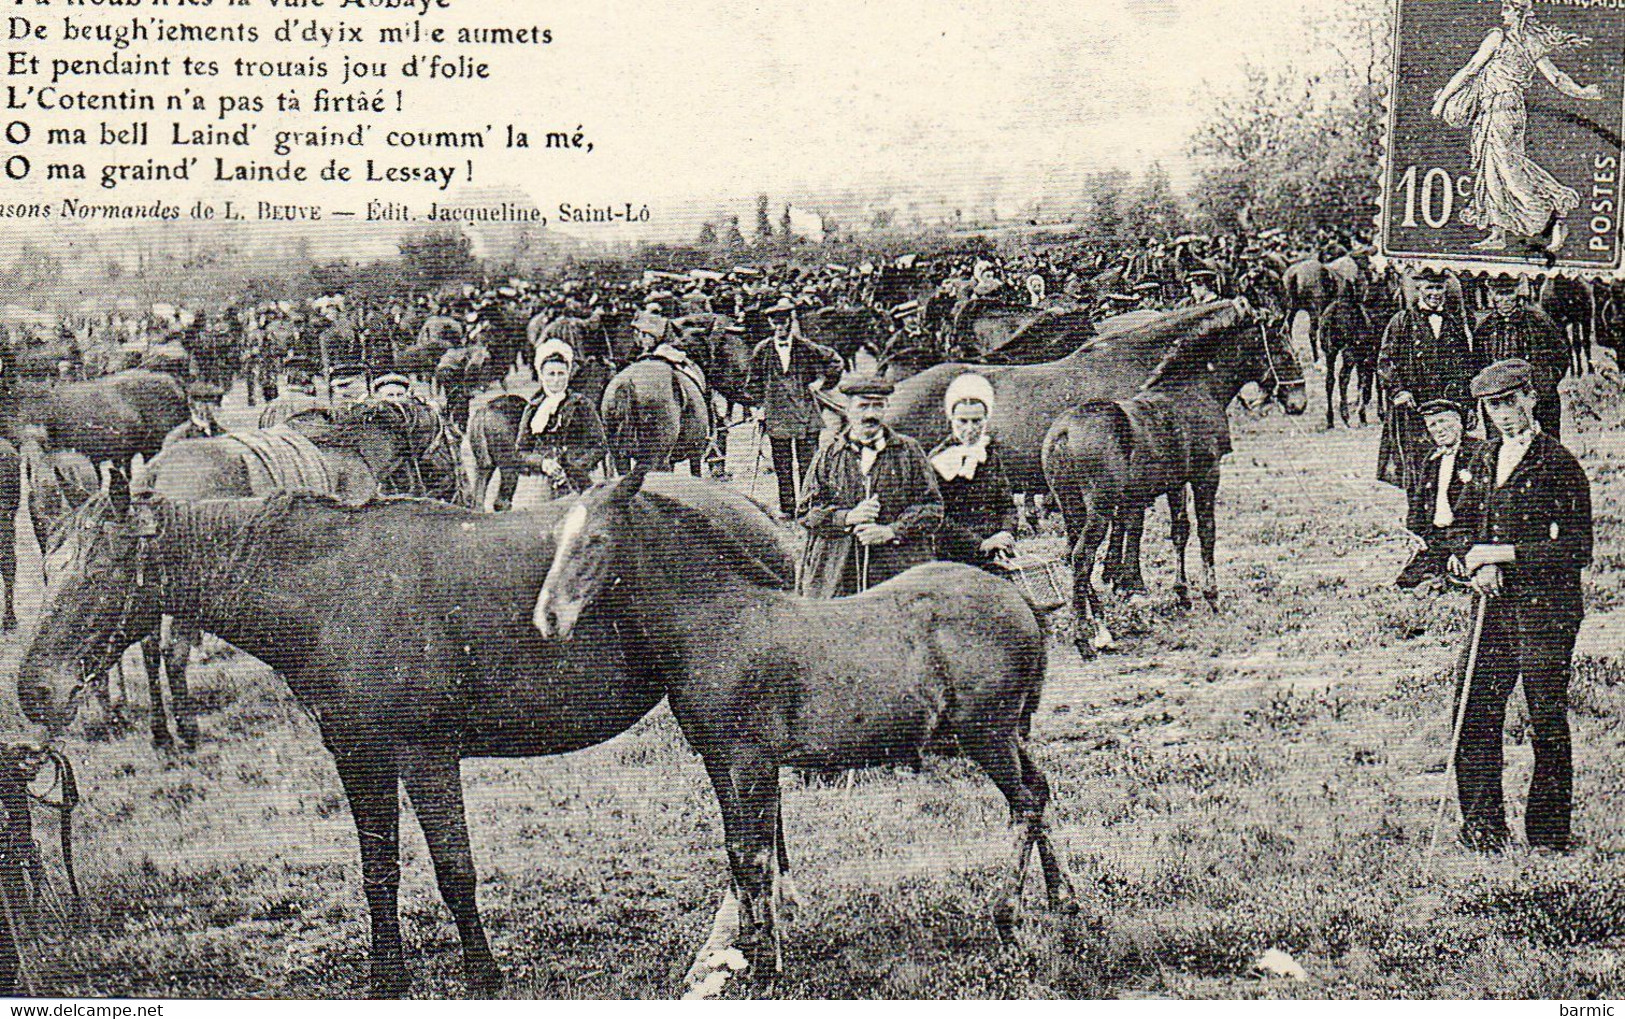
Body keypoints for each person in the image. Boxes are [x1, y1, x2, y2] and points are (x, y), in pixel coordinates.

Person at [1451, 358, 1592, 852]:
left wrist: (1504, 554)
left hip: (1546, 610)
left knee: (1544, 714)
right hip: (1492, 605)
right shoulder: (1484, 458)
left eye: (1512, 403)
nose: (1505, 416)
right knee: (1473, 709)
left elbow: (1578, 548)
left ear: (1532, 398)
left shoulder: (1559, 463)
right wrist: (1471, 562)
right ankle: (1483, 827)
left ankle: (1550, 834)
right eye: (1494, 408)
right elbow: (1460, 527)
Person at [1431, 0, 1602, 253]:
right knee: (1494, 171)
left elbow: (1470, 69)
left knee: (1508, 173)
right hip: (1503, 111)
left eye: (1507, 9)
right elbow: (1556, 78)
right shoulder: (1532, 43)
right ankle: (1498, 232)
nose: (1502, 13)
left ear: (1519, 12)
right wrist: (1582, 92)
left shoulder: (1498, 37)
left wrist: (1443, 100)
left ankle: (1552, 220)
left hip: (1500, 112)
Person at [797, 374, 942, 597]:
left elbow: (932, 508)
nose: (870, 415)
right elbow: (806, 512)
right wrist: (846, 517)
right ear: (847, 408)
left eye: (878, 406)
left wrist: (891, 531)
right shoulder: (828, 455)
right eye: (863, 406)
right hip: (839, 570)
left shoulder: (908, 451)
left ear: (887, 408)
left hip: (897, 568)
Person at [1377, 268, 1480, 491]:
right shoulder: (1401, 321)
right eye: (1430, 287)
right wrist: (1399, 391)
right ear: (1418, 289)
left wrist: (1470, 406)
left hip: (1448, 405)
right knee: (1416, 468)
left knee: (1452, 466)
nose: (1435, 293)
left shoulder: (1453, 323)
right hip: (1415, 407)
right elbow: (1386, 361)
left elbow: (1466, 367)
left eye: (1439, 287)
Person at [745, 297, 842, 518]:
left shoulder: (805, 346)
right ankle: (787, 507)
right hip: (777, 415)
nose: (780, 327)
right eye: (775, 323)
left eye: (783, 322)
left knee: (808, 463)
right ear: (770, 325)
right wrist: (759, 406)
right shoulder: (762, 350)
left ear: (790, 323)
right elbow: (752, 383)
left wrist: (823, 383)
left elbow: (834, 361)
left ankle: (808, 505)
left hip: (805, 414)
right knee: (782, 464)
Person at [502, 338, 607, 511]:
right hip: (542, 478)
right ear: (542, 376)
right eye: (551, 374)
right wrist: (543, 463)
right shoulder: (534, 408)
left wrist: (575, 466)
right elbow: (521, 451)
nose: (557, 380)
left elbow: (600, 445)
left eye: (561, 373)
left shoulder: (581, 404)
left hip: (578, 477)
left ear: (568, 374)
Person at [928, 373, 1016, 572]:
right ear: (951, 420)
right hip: (954, 554)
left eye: (977, 421)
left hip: (995, 550)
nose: (970, 429)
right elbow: (938, 517)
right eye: (963, 421)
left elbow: (1007, 503)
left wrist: (1005, 533)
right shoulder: (939, 459)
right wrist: (979, 544)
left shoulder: (989, 453)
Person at [1396, 398, 1487, 588]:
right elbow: (1418, 502)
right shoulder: (1432, 459)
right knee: (1407, 582)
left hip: (1466, 537)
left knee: (1463, 577)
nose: (1438, 429)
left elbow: (1485, 509)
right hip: (1437, 538)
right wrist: (1416, 534)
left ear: (1459, 423)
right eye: (1432, 425)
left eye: (1443, 422)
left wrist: (1462, 548)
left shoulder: (1480, 452)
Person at [1474, 275, 1569, 437]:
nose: (1505, 299)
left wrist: (1544, 384)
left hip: (1537, 399)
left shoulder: (1538, 321)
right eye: (1499, 293)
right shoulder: (1485, 327)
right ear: (1491, 295)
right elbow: (1478, 364)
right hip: (1499, 401)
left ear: (1517, 292)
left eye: (1509, 293)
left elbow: (1560, 355)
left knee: (1544, 447)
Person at [163, 381, 227, 446]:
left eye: (213, 401)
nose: (210, 406)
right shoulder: (178, 436)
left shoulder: (223, 433)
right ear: (191, 403)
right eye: (203, 400)